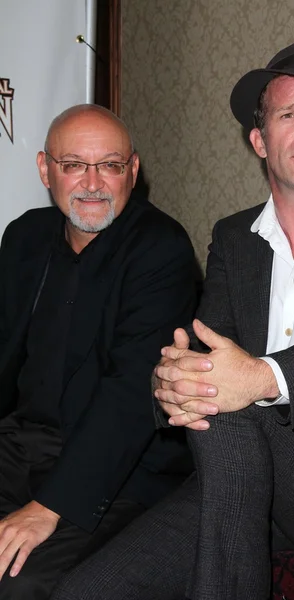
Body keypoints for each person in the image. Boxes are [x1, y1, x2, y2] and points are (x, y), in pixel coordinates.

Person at [51, 36, 294, 600]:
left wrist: (256, 378)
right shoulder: (232, 238)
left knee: (232, 399)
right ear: (259, 140)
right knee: (88, 590)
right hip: (249, 479)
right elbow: (209, 356)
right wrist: (169, 384)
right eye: (288, 115)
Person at [0, 103, 196, 599]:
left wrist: (47, 508)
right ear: (46, 169)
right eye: (73, 166)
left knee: (20, 583)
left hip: (115, 467)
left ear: (132, 170)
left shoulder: (161, 248)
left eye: (109, 165)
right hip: (16, 445)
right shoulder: (23, 236)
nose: (93, 183)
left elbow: (132, 390)